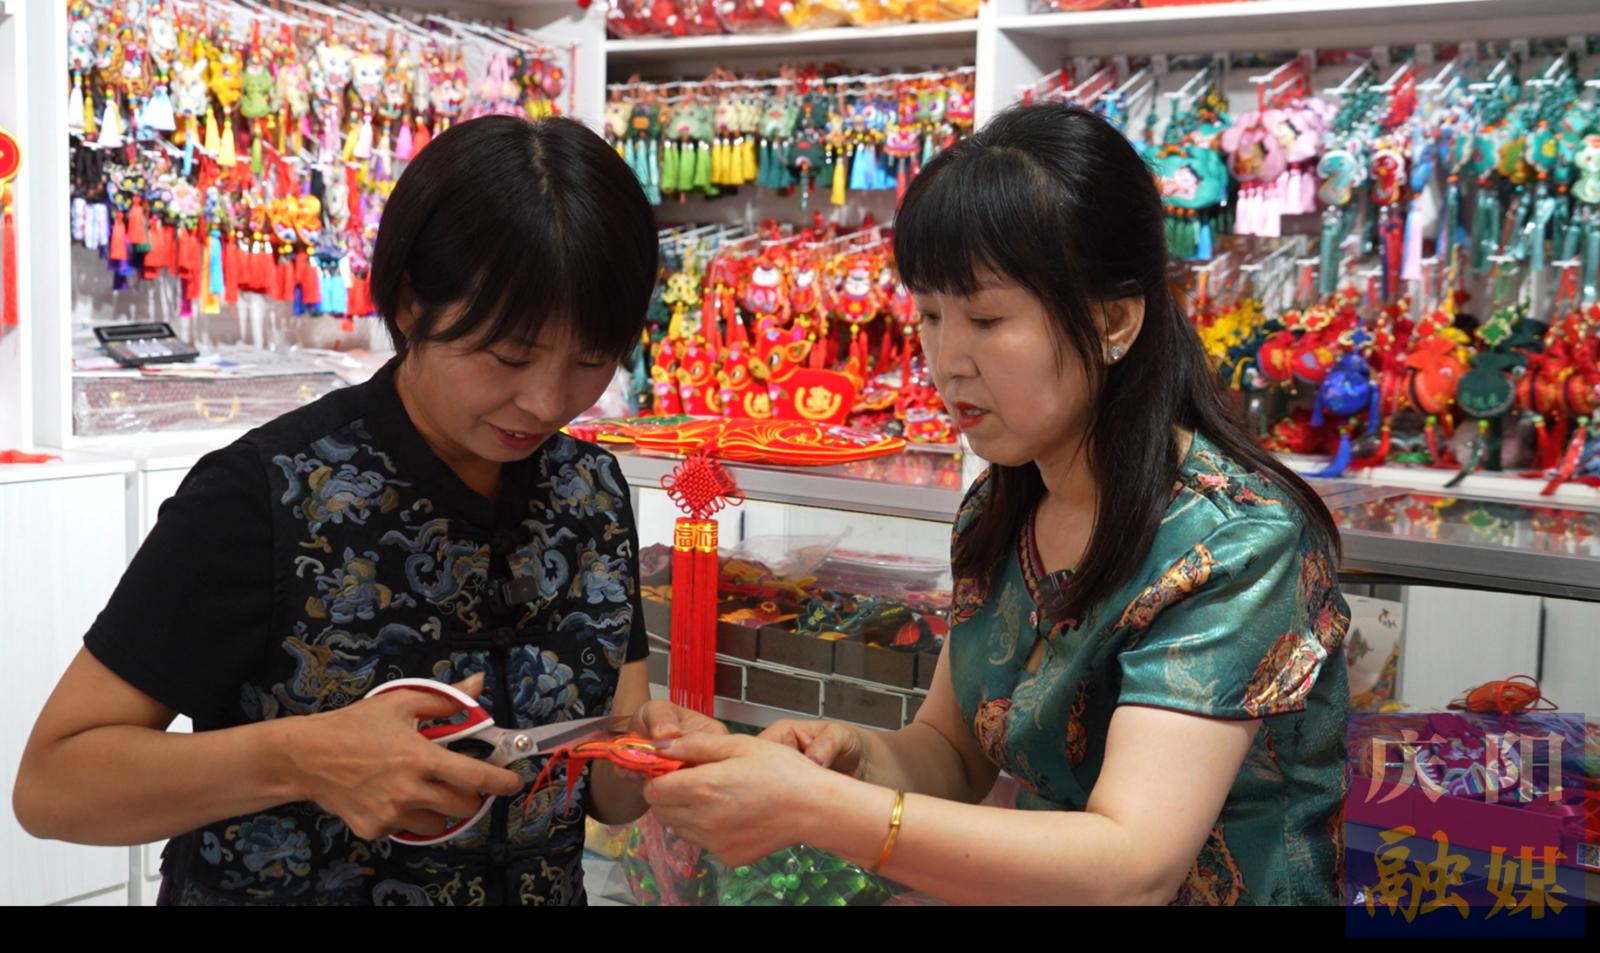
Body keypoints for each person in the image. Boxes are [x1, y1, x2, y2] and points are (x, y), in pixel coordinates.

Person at [640, 102, 1350, 906]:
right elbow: (950, 752)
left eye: (985, 318)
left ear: (1114, 320)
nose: (947, 360)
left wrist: (821, 808)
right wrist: (844, 759)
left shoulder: (1237, 542)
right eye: (930, 314)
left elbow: (1132, 864)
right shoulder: (1001, 507)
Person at [14, 115, 722, 906]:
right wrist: (298, 758)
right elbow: (53, 784)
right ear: (413, 302)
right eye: (510, 356)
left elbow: (605, 788)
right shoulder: (266, 492)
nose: (548, 401)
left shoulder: (591, 492)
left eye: (591, 360)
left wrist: (659, 757)